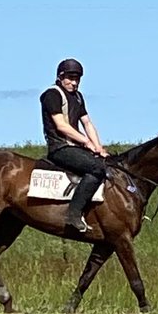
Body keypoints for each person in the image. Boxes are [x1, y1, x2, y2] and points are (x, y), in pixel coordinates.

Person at [40, 58, 110, 234]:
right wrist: (86, 142)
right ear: (60, 77)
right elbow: (61, 125)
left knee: (106, 165)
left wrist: (99, 147)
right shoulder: (52, 95)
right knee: (96, 169)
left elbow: (87, 123)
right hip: (60, 147)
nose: (74, 83)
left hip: (76, 147)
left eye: (77, 79)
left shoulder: (78, 97)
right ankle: (74, 214)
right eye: (70, 78)